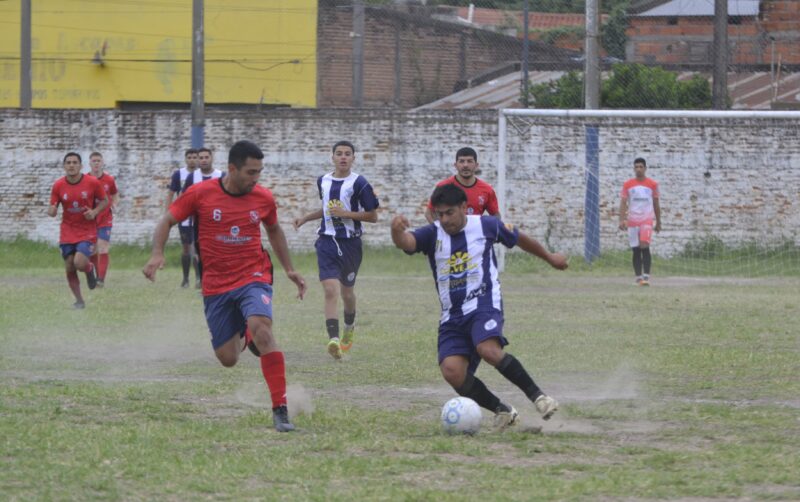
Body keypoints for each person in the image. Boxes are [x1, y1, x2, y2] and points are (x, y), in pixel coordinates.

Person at [143, 140, 307, 432]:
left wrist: (290, 269)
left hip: (253, 275)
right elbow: (167, 220)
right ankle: (247, 332)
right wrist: (157, 253)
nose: (256, 178)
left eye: (259, 172)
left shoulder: (263, 197)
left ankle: (280, 411)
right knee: (228, 358)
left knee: (264, 331)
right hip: (216, 284)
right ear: (232, 169)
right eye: (251, 172)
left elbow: (274, 230)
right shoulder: (200, 193)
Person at [391, 184, 567, 429]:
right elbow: (407, 242)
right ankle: (503, 411)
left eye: (450, 212)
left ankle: (540, 398)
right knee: (452, 371)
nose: (445, 219)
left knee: (488, 349)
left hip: (483, 303)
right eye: (440, 214)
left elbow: (520, 239)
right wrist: (396, 231)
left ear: (464, 207)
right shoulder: (433, 234)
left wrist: (550, 257)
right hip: (452, 314)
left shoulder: (486, 225)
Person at [293, 141, 379, 360]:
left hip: (350, 245)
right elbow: (326, 210)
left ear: (353, 158)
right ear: (332, 157)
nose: (343, 157)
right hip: (327, 242)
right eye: (339, 153)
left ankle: (349, 328)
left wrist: (346, 214)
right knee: (330, 290)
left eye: (347, 154)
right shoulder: (323, 180)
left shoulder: (359, 183)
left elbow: (373, 216)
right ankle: (333, 339)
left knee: (347, 293)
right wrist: (305, 218)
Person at [48, 152, 109, 309]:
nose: (71, 165)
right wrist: (51, 210)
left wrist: (94, 212)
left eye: (75, 162)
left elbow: (105, 201)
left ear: (81, 166)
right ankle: (79, 301)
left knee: (79, 262)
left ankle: (89, 269)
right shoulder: (58, 185)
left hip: (87, 230)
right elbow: (52, 208)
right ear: (64, 166)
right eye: (68, 162)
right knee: (69, 265)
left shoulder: (92, 182)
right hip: (67, 230)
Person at [424, 147, 500, 223]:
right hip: (451, 230)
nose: (465, 165)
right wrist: (440, 228)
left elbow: (496, 216)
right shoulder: (443, 187)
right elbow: (429, 213)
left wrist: (489, 228)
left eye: (469, 161)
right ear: (455, 165)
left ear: (476, 165)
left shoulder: (487, 189)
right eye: (461, 161)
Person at [184, 147, 225, 289]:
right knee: (201, 253)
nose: (203, 160)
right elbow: (185, 198)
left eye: (206, 157)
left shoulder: (221, 176)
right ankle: (204, 282)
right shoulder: (192, 177)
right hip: (199, 223)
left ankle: (221, 281)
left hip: (220, 222)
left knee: (220, 252)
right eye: (201, 158)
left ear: (212, 158)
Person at [618, 157, 661, 286]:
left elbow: (656, 203)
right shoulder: (628, 184)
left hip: (646, 220)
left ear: (645, 168)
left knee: (645, 246)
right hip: (632, 221)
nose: (638, 169)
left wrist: (659, 222)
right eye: (636, 167)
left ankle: (646, 277)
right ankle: (638, 278)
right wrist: (621, 220)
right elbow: (623, 202)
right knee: (636, 249)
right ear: (634, 169)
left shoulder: (653, 184)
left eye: (641, 167)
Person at [165, 148, 199, 288]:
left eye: (194, 157)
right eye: (189, 157)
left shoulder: (201, 174)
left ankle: (199, 279)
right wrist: (168, 213)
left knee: (198, 248)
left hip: (200, 216)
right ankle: (185, 279)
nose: (192, 160)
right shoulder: (179, 174)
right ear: (185, 159)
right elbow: (171, 193)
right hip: (184, 217)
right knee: (186, 248)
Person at [87, 152, 119, 287]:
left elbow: (115, 194)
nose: (96, 163)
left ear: (102, 163)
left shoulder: (109, 180)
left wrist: (115, 204)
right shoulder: (85, 179)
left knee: (103, 247)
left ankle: (101, 280)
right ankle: (94, 276)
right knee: (92, 249)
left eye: (98, 161)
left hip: (105, 218)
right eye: (94, 161)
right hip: (90, 219)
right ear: (89, 163)